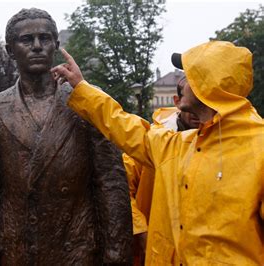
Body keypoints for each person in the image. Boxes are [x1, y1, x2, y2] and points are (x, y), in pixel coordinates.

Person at [52, 41, 264, 264]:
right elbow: (125, 126)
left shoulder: (258, 147)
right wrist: (81, 87)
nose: (184, 83)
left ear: (207, 85)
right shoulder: (180, 145)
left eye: (190, 76)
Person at [0, 8, 132, 265]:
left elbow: (110, 182)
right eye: (26, 40)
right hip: (16, 250)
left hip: (76, 249)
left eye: (45, 38)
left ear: (56, 45)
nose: (37, 46)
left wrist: (116, 251)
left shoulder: (87, 100)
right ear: (10, 50)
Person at [125, 76, 199, 265]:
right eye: (193, 101)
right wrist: (141, 229)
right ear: (178, 101)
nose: (198, 111)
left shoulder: (220, 140)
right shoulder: (154, 138)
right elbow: (123, 187)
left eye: (204, 101)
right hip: (157, 247)